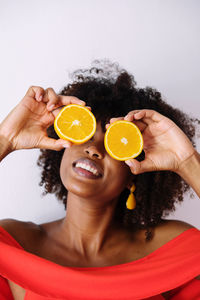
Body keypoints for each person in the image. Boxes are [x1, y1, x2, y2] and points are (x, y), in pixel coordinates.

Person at [0, 60, 200, 299]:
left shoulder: (169, 250)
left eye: (113, 142)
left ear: (134, 171)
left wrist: (188, 161)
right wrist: (5, 139)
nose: (93, 149)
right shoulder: (16, 243)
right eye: (84, 134)